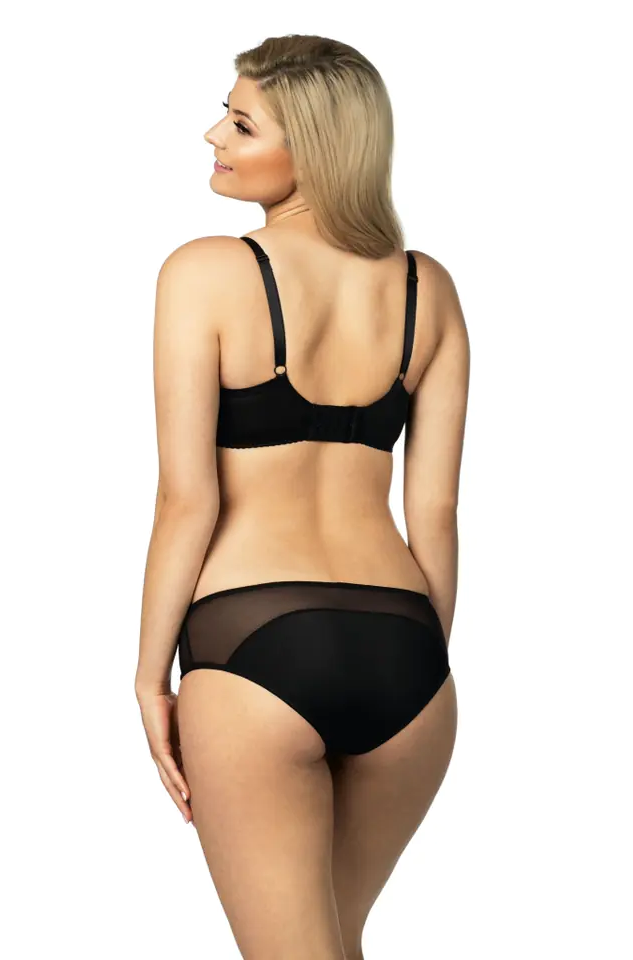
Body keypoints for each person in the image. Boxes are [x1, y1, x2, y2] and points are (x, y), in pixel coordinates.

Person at [135, 34, 470, 960]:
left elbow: (186, 502)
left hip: (254, 649)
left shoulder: (204, 271)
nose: (214, 136)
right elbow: (434, 514)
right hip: (407, 656)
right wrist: (421, 663)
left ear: (316, 148)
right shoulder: (428, 289)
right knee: (335, 943)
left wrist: (149, 678)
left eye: (242, 124)